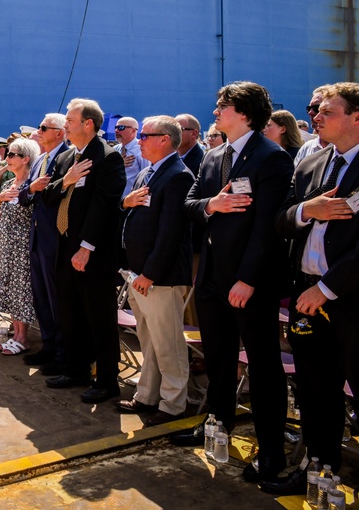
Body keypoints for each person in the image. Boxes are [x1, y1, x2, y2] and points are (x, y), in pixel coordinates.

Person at [174, 81, 293, 488]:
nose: (214, 113)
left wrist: (247, 279)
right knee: (219, 360)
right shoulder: (213, 156)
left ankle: (272, 451)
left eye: (221, 107)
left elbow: (267, 230)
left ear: (242, 112)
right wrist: (213, 204)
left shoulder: (271, 158)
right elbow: (189, 204)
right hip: (211, 278)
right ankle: (217, 423)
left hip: (249, 283)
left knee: (263, 367)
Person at [264, 82, 359, 495]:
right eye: (316, 110)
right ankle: (319, 469)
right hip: (306, 296)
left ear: (357, 117)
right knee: (316, 392)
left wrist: (328, 287)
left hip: (350, 300)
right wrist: (308, 210)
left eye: (329, 110)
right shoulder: (310, 164)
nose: (316, 116)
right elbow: (281, 220)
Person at [42, 98, 126, 403]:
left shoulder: (106, 157)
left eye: (70, 120)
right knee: (70, 311)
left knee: (100, 316)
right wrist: (66, 181)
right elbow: (48, 198)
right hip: (66, 246)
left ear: (88, 124)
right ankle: (76, 369)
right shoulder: (66, 159)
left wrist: (86, 247)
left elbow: (104, 207)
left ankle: (106, 380)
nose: (66, 124)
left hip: (92, 251)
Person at [116, 116, 194, 426]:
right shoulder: (148, 172)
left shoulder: (177, 176)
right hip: (138, 273)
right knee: (148, 339)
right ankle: (147, 395)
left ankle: (174, 404)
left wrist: (150, 273)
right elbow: (134, 215)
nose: (140, 140)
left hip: (159, 277)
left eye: (147, 135)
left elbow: (170, 233)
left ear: (165, 139)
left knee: (168, 343)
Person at [20, 114, 70, 372]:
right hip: (37, 237)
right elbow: (23, 195)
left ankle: (63, 353)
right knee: (41, 296)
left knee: (56, 298)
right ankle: (48, 346)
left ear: (60, 132)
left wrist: (40, 189)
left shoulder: (69, 157)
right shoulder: (41, 158)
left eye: (44, 128)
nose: (38, 131)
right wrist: (32, 189)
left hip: (56, 238)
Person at [0, 137, 42, 355]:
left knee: (21, 290)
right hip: (4, 244)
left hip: (21, 247)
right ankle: (15, 332)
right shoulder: (8, 184)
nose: (7, 158)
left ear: (26, 159)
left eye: (13, 155)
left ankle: (22, 337)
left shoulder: (33, 186)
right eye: (7, 154)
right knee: (10, 288)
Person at [114, 116, 150, 196]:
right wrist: (119, 164)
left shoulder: (141, 150)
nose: (116, 130)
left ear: (133, 130)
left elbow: (146, 177)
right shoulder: (115, 150)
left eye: (121, 127)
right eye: (116, 127)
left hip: (131, 201)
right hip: (113, 199)